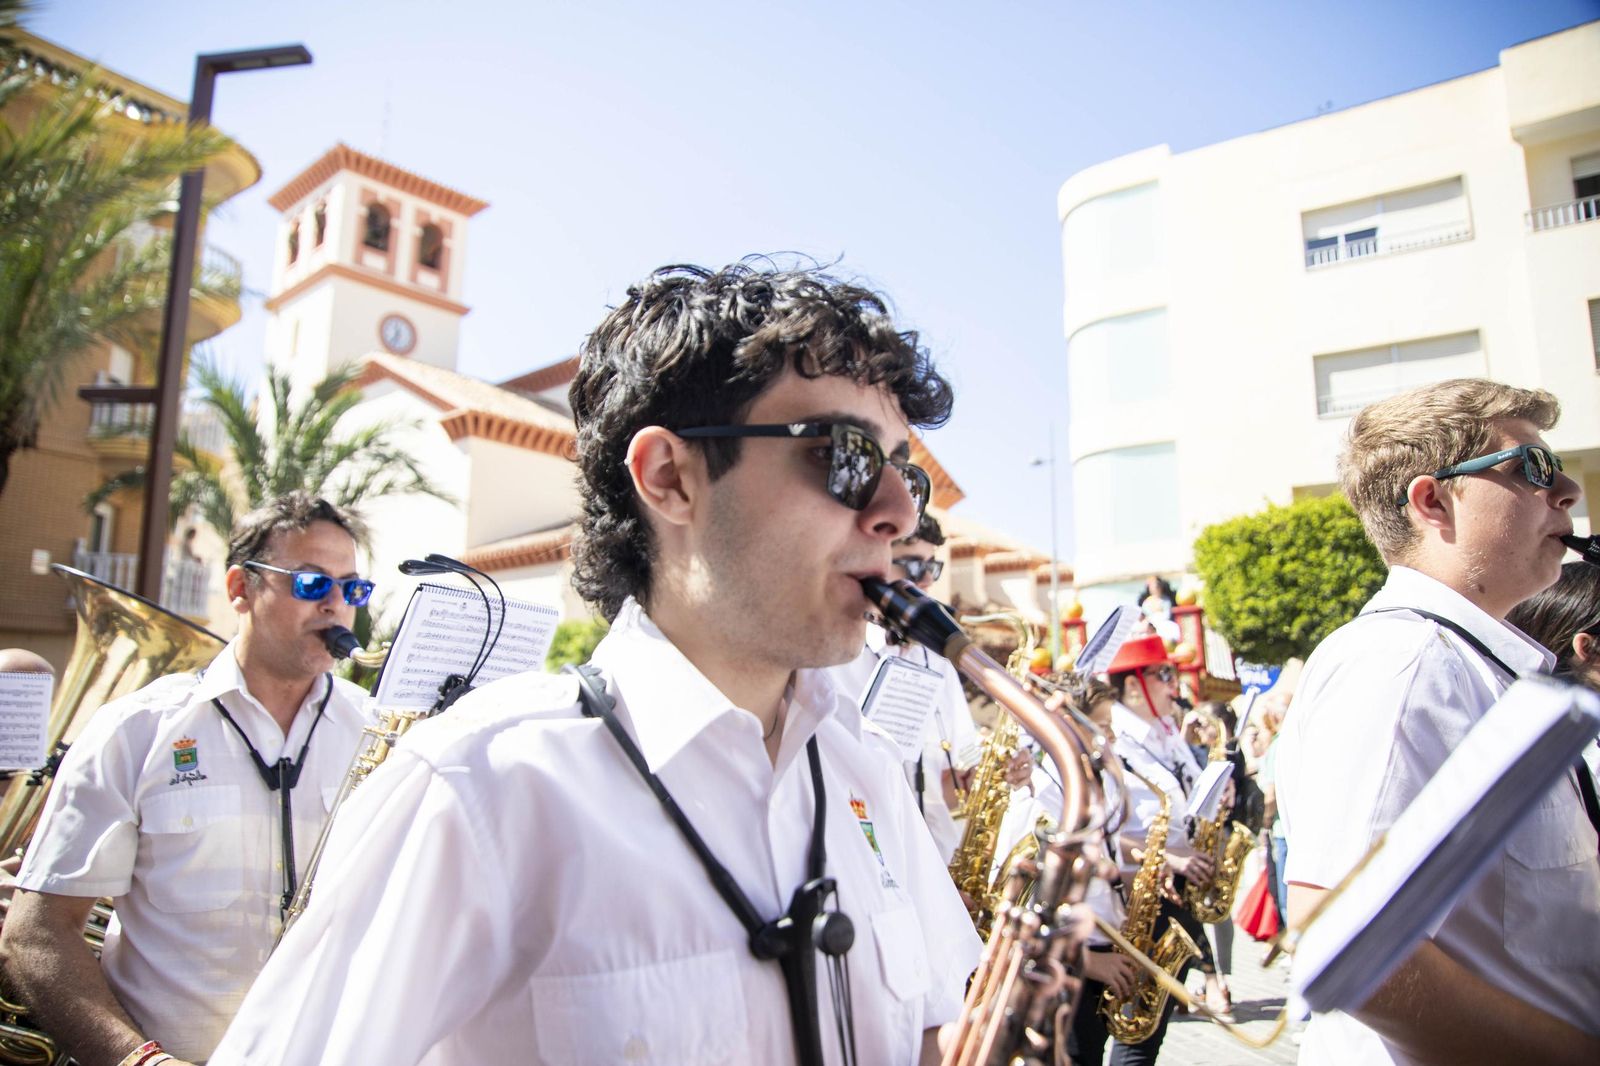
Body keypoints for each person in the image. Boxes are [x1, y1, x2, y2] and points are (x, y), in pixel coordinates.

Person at [211, 261, 981, 1066]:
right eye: (847, 455)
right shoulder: (477, 786)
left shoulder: (867, 772)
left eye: (909, 473)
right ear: (670, 478)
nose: (896, 512)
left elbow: (932, 1030)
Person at [1275, 378, 1600, 1065]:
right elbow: (1343, 932)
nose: (1566, 490)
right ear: (1432, 501)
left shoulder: (1475, 664)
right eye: (1532, 469)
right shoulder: (1403, 662)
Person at [0, 493, 375, 1066]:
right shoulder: (136, 728)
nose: (336, 606)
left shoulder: (380, 734)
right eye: (309, 583)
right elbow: (35, 932)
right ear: (239, 589)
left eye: (352, 589)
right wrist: (138, 1060)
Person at [828, 512, 1028, 864]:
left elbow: (949, 783)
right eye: (910, 564)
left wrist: (994, 774)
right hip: (869, 860)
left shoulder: (937, 660)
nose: (923, 582)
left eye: (931, 569)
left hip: (941, 859)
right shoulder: (836, 658)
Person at [1103, 634, 1214, 1065]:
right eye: (1163, 674)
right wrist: (1169, 858)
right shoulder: (1116, 741)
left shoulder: (1164, 735)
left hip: (1174, 893)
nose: (1174, 686)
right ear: (1133, 685)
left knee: (1154, 1030)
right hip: (1143, 900)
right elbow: (1107, 835)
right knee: (1137, 1031)